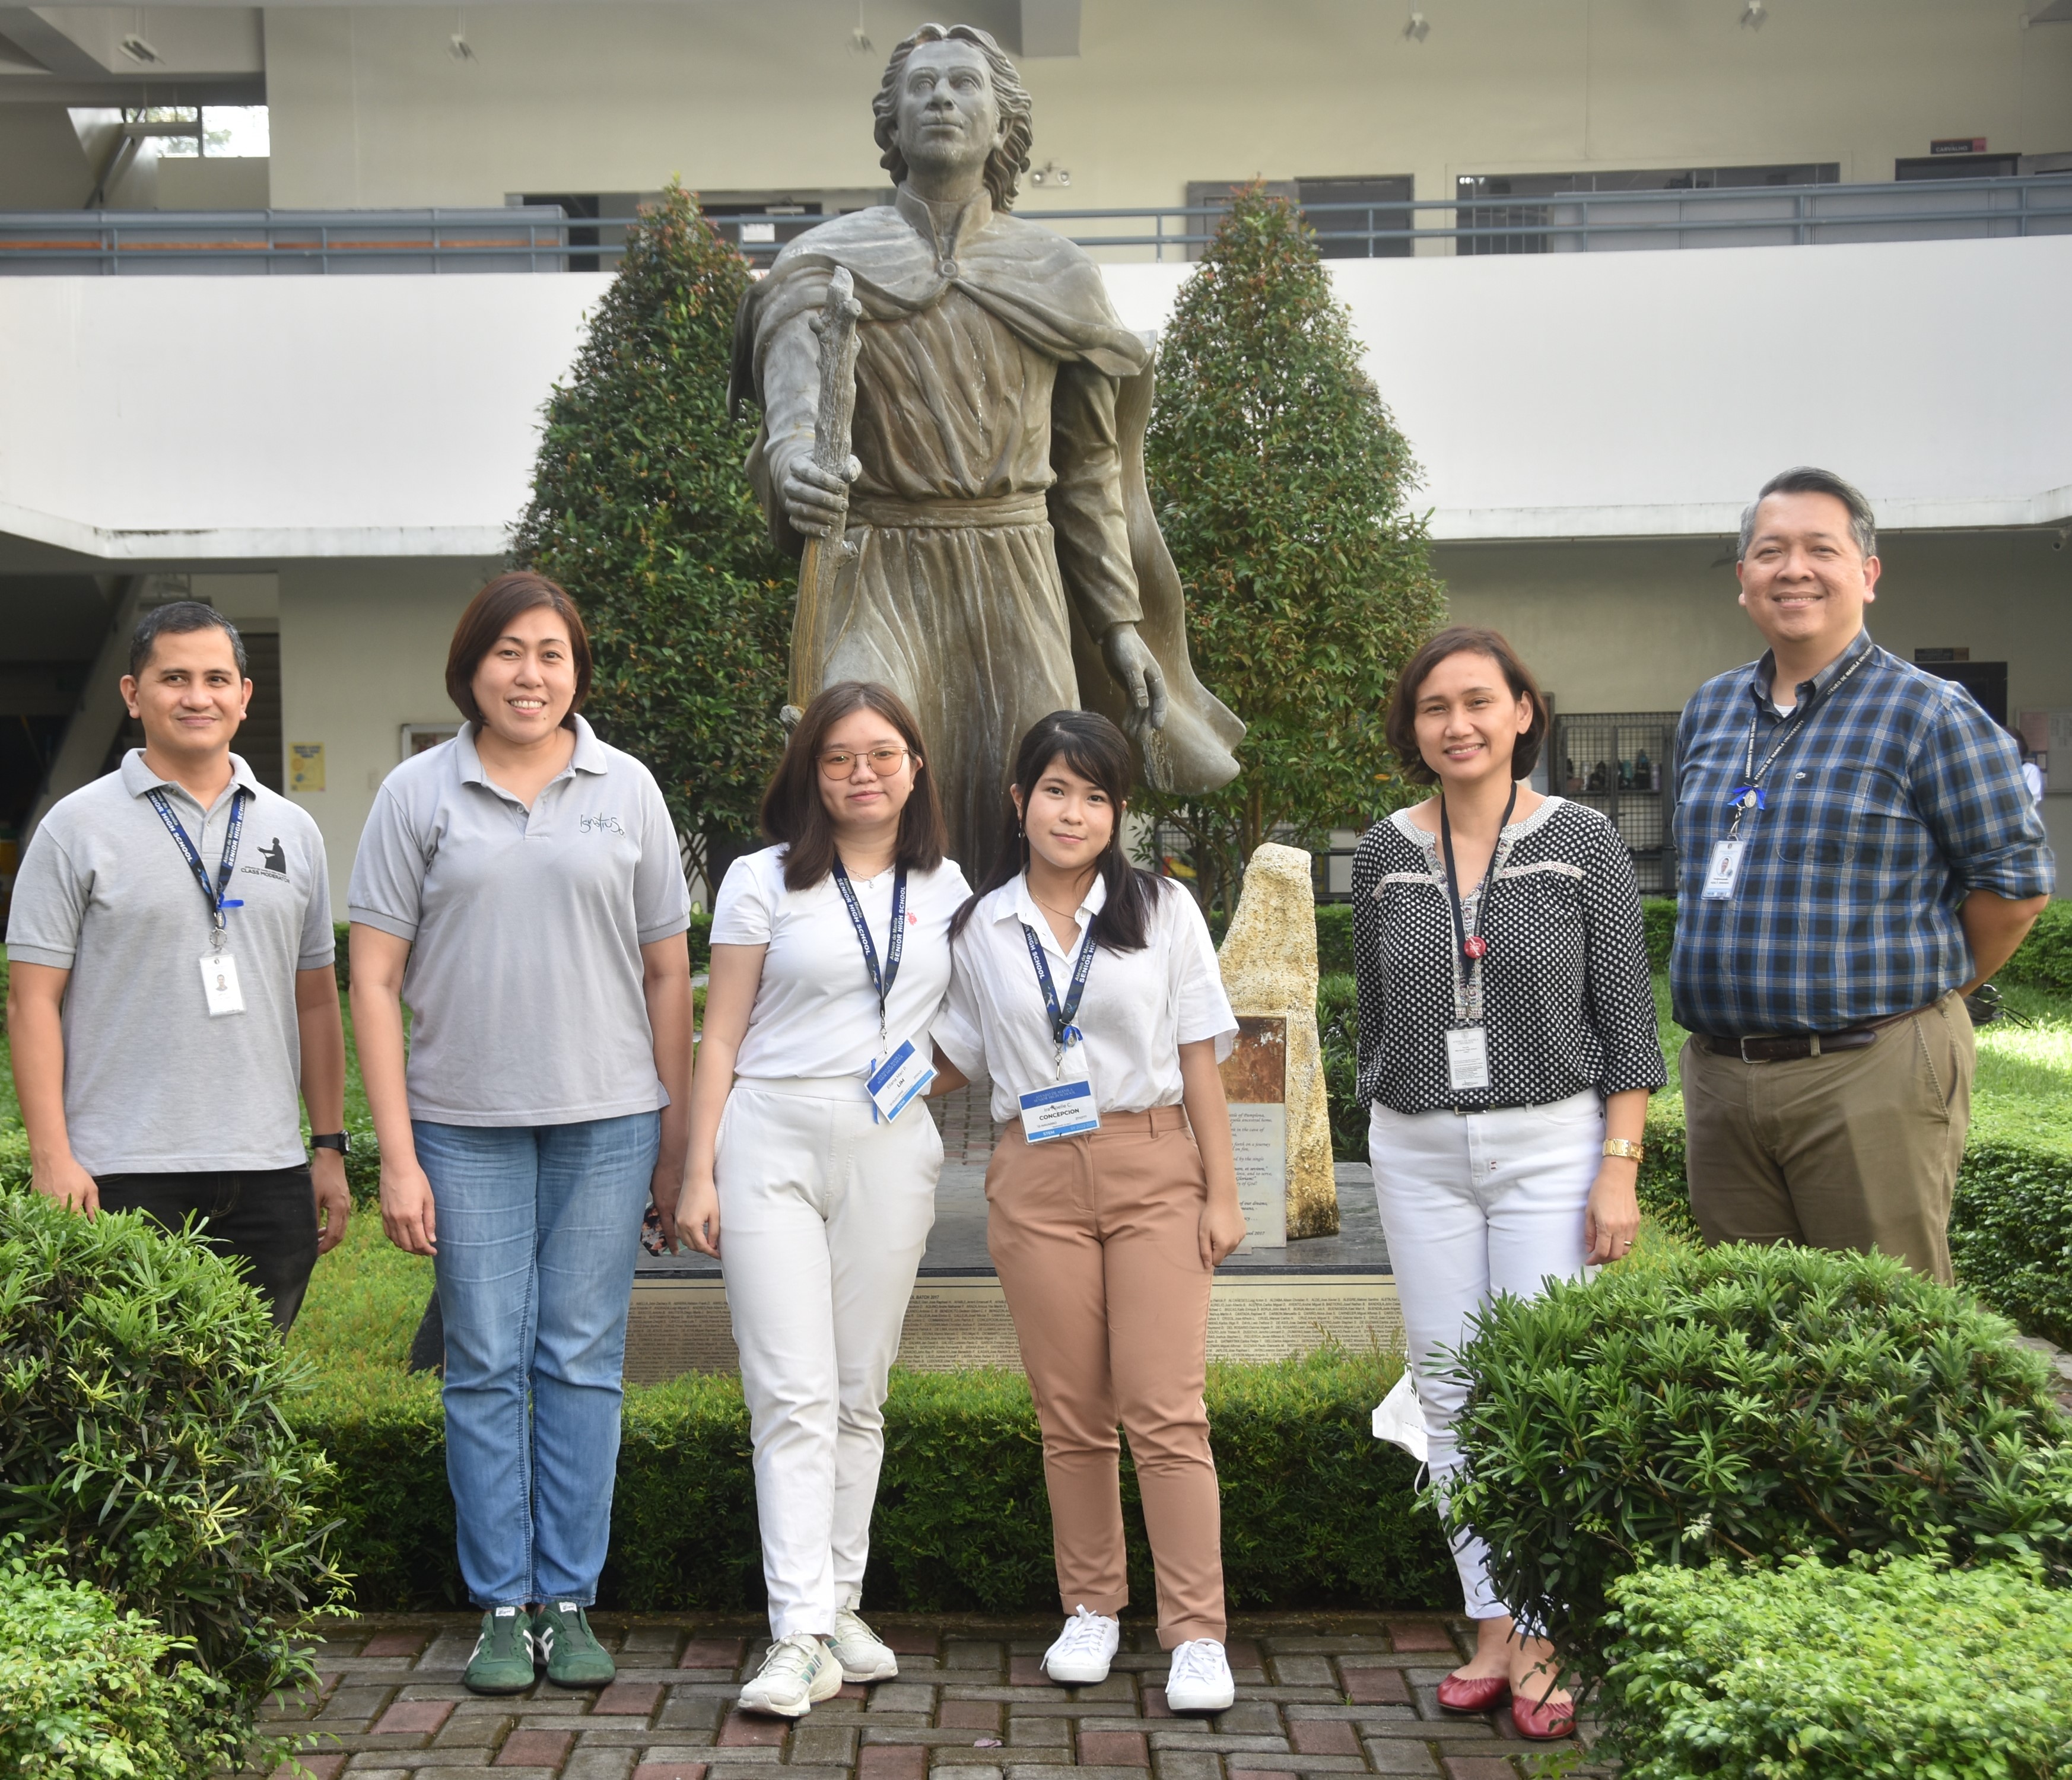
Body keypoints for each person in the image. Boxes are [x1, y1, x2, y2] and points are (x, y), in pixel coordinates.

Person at [730, 21, 1241, 882]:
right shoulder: (822, 263)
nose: (940, 98)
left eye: (964, 85)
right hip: (876, 562)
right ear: (888, 124)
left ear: (1003, 126)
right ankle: (878, 985)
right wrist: (793, 468)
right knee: (863, 758)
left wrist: (1119, 627)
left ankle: (1030, 999)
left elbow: (1084, 475)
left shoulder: (1058, 273)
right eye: (921, 86)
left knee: (1037, 786)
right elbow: (791, 417)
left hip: (1017, 568)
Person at [348, 571, 694, 1697]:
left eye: (550, 653)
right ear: (471, 668)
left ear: (576, 669)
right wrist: (394, 1154)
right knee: (486, 1361)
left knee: (582, 1360)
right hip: (463, 1124)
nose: (529, 674)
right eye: (508, 653)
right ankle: (501, 1605)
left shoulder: (627, 787)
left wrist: (675, 1141)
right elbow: (373, 974)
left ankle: (571, 1600)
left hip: (608, 1119)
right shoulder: (416, 793)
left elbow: (665, 970)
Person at [1350, 625, 1665, 1741]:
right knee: (1448, 1392)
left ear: (1524, 711)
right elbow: (1374, 1022)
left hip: (1550, 1146)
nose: (1459, 724)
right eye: (1435, 707)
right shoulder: (1383, 853)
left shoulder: (1581, 841)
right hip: (1419, 1148)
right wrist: (1389, 1112)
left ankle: (1542, 1633)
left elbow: (1628, 1025)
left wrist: (1615, 1171)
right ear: (1414, 729)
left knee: (1535, 1388)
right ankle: (1488, 1620)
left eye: (1480, 701)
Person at [933, 710, 1246, 1715]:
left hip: (1152, 1164)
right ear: (1018, 800)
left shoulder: (1163, 911)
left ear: (1119, 813)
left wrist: (1223, 1190)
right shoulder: (980, 927)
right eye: (1057, 792)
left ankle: (1195, 1630)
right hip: (1033, 1174)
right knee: (1070, 1415)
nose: (1075, 813)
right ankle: (1091, 1610)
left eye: (1098, 796)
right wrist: (834, 1090)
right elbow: (948, 1055)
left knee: (1165, 1408)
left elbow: (1200, 1057)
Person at [1671, 467, 2052, 1281]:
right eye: (1770, 551)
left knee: (1885, 1337)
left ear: (1868, 574)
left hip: (1868, 1069)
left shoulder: (1929, 714)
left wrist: (1917, 996)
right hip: (1721, 1078)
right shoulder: (1709, 711)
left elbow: (2015, 890)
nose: (1794, 569)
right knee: (1750, 1347)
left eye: (1821, 549)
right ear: (1744, 579)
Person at [675, 681, 968, 1718]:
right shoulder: (762, 880)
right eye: (838, 757)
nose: (861, 773)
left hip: (892, 1142)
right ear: (809, 770)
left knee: (857, 1388)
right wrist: (696, 1167)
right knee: (789, 1391)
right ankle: (795, 1628)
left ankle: (840, 1603)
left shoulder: (946, 884)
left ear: (915, 767)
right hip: (772, 1135)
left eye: (882, 754)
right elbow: (720, 1032)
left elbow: (966, 1028)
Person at [6, 600, 348, 1330]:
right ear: (133, 694)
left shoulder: (294, 829)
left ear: (245, 697)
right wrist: (52, 1159)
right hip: (122, 1170)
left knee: (252, 1396)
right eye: (175, 678)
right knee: (140, 1410)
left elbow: (317, 1001)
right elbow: (30, 1003)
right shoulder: (75, 828)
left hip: (270, 1171)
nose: (199, 697)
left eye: (218, 678)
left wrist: (328, 1148)